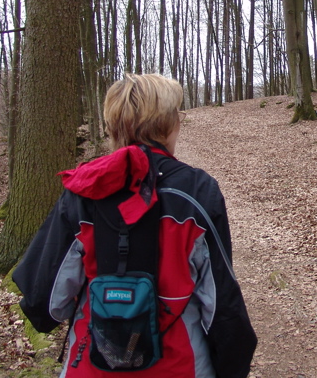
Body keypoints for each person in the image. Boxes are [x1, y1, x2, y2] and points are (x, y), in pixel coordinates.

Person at [13, 73, 257, 378]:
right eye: (178, 116)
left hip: (90, 369)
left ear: (113, 126)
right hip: (181, 368)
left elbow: (43, 303)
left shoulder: (84, 189)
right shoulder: (197, 191)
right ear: (167, 124)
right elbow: (222, 307)